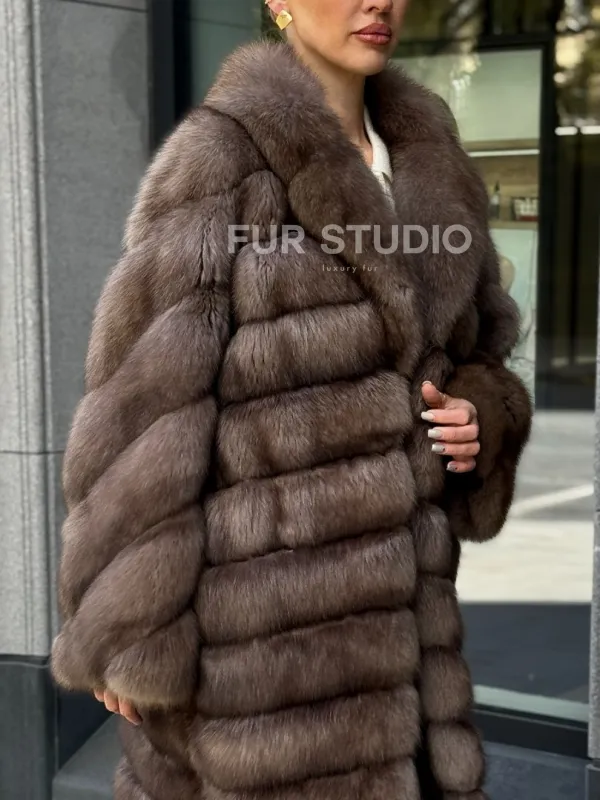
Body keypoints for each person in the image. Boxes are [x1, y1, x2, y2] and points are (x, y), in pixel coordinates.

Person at [50, 1, 533, 798]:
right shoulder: (221, 157)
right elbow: (141, 407)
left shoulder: (432, 160)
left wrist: (482, 413)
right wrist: (123, 629)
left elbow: (487, 346)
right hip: (262, 660)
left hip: (414, 652)